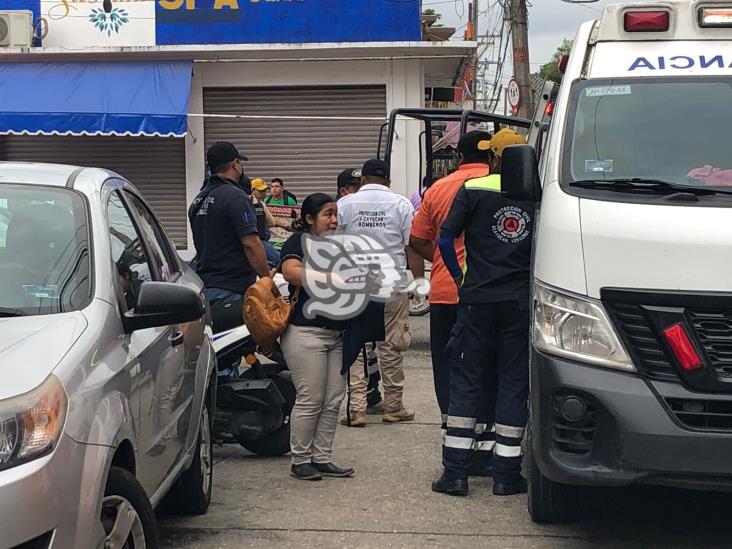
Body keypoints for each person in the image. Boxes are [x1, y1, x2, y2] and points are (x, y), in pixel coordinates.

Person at [432, 128, 533, 497]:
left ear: (493, 158)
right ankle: (506, 475)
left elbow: (444, 238)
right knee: (512, 381)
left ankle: (455, 474)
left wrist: (460, 279)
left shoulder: (473, 190)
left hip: (477, 301)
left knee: (467, 378)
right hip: (520, 302)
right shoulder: (537, 195)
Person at [409, 131, 498, 474]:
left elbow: (417, 239)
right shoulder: (500, 185)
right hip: (489, 292)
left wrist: (445, 263)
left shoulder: (439, 188)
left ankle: (453, 437)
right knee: (488, 366)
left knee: (448, 367)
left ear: (459, 157)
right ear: (491, 157)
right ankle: (485, 443)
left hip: (446, 292)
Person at [279, 193, 354, 481]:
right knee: (311, 398)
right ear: (309, 219)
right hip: (305, 333)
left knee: (334, 398)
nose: (334, 219)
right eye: (327, 214)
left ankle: (321, 457)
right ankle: (300, 460)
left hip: (337, 334)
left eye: (336, 214)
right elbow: (290, 272)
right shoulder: (299, 242)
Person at [337, 159, 417, 426]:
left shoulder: (344, 205)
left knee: (356, 344)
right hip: (391, 282)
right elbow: (412, 246)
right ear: (388, 182)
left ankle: (357, 410)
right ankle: (393, 406)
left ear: (362, 180)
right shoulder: (402, 205)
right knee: (392, 344)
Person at [188, 141, 270, 306]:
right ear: (235, 164)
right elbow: (251, 244)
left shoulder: (198, 200)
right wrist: (267, 281)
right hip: (232, 291)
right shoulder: (235, 196)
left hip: (206, 287)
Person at [336, 167, 384, 417]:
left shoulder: (348, 207)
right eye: (355, 188)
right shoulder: (337, 211)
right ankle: (358, 404)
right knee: (357, 344)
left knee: (372, 344)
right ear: (343, 190)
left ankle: (370, 394)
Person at [249, 178, 281, 265]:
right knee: (278, 259)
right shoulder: (261, 204)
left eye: (264, 190)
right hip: (258, 240)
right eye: (260, 191)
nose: (263, 193)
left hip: (254, 240)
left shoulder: (243, 201)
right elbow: (271, 223)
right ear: (252, 190)